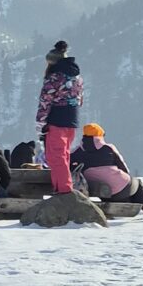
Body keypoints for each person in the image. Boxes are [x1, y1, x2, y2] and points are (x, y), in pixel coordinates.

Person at [72, 125, 143, 212]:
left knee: (127, 196)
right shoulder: (108, 148)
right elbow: (123, 167)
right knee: (137, 184)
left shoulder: (76, 152)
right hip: (120, 186)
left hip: (102, 193)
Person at [36, 41, 84, 194]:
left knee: (56, 156)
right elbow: (80, 99)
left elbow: (45, 101)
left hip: (56, 119)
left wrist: (40, 123)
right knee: (64, 155)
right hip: (72, 120)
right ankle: (61, 187)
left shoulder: (54, 78)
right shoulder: (76, 77)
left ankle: (64, 190)